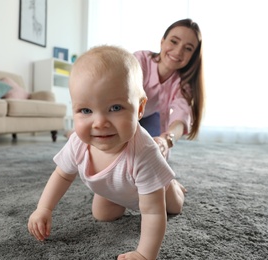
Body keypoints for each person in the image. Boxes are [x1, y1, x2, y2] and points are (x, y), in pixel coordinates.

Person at [28, 45, 186, 260]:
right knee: (102, 215)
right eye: (86, 111)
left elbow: (152, 212)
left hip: (154, 191)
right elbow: (62, 175)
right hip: (116, 190)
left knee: (173, 208)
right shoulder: (78, 143)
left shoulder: (144, 153)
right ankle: (119, 195)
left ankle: (172, 184)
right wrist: (44, 208)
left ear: (139, 109)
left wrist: (144, 254)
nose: (100, 123)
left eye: (115, 108)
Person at [134, 18, 204, 158]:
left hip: (150, 115)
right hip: (124, 113)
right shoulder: (139, 60)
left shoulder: (182, 83)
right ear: (162, 41)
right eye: (174, 41)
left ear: (193, 56)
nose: (178, 52)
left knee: (157, 153)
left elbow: (181, 115)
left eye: (188, 48)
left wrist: (166, 140)